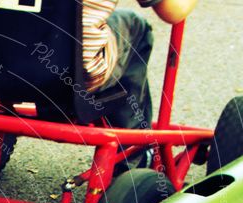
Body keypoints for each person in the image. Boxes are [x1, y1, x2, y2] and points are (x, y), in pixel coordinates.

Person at [84, 0, 198, 135]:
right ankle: (132, 147)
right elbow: (174, 11)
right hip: (81, 73)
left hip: (53, 63)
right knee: (135, 26)